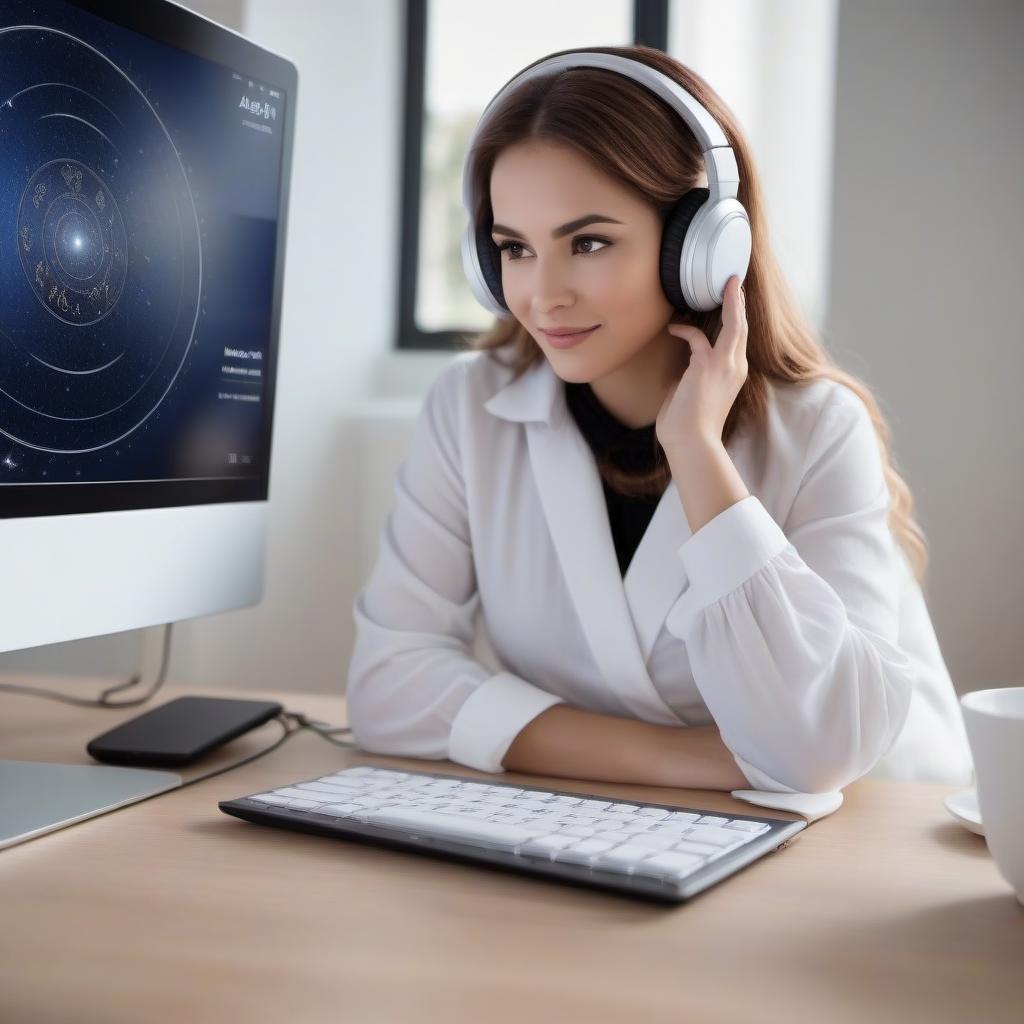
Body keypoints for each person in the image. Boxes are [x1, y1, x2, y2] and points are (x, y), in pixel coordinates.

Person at [346, 45, 973, 816]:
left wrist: (699, 455)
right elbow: (387, 683)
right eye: (514, 248)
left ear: (702, 248)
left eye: (589, 242)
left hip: (875, 843)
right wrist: (691, 762)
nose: (543, 297)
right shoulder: (469, 409)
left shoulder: (817, 431)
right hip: (626, 824)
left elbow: (817, 752)